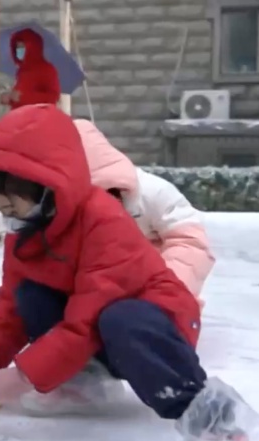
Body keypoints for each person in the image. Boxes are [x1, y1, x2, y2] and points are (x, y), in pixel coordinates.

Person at [0, 105, 259, 441]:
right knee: (31, 294)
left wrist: (22, 376)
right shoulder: (28, 232)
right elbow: (9, 308)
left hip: (154, 325)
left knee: (120, 318)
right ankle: (81, 381)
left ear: (44, 186)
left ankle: (217, 428)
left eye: (11, 205)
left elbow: (87, 318)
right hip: (96, 328)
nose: (8, 216)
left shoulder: (102, 220)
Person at [73, 119, 214, 306]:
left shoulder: (153, 192)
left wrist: (167, 288)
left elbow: (191, 244)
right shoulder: (61, 202)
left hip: (160, 290)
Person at [0, 28, 60, 110]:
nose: (19, 51)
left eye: (22, 47)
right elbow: (19, 97)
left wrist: (23, 97)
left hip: (37, 118)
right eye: (17, 47)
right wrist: (9, 98)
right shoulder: (21, 71)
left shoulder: (47, 69)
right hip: (20, 117)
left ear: (32, 47)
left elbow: (53, 97)